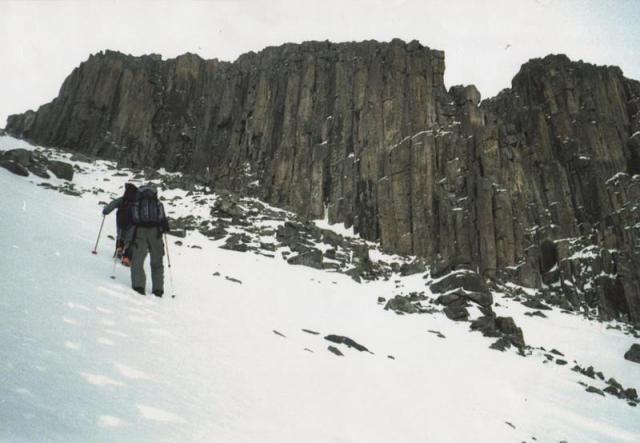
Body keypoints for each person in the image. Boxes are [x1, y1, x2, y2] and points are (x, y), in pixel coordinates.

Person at [129, 184, 170, 297]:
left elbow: (134, 219)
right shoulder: (158, 203)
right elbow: (163, 220)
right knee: (157, 262)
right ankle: (158, 289)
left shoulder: (137, 203)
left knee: (138, 260)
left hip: (140, 232)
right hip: (155, 233)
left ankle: (139, 286)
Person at [102, 183, 138, 265]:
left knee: (120, 236)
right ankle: (126, 258)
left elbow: (112, 204)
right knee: (130, 240)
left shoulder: (122, 200)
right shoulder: (136, 203)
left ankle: (119, 249)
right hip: (131, 224)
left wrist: (105, 211)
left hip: (120, 221)